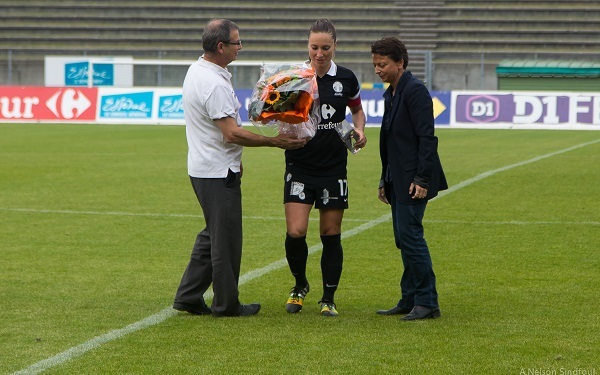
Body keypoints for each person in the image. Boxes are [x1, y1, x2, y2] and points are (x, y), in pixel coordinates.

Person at [173, 19, 307, 317]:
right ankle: (227, 304)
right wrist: (275, 142)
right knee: (226, 240)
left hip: (207, 166)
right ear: (220, 46)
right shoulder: (213, 82)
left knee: (213, 234)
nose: (240, 46)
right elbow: (231, 133)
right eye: (236, 42)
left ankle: (189, 295)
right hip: (216, 171)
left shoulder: (200, 70)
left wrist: (237, 157)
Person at [283, 18, 367, 317]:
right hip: (300, 164)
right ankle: (299, 285)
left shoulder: (346, 78)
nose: (320, 54)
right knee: (296, 231)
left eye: (326, 48)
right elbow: (279, 114)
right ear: (307, 46)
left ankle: (328, 297)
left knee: (330, 233)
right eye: (314, 47)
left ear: (335, 46)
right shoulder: (294, 77)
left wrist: (359, 130)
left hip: (333, 168)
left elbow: (357, 110)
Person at [371, 37, 448, 320]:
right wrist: (384, 178)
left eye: (383, 64)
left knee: (411, 237)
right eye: (375, 64)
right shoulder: (393, 92)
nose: (378, 70)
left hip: (414, 179)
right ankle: (409, 298)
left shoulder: (415, 91)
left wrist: (422, 179)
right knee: (404, 238)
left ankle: (428, 302)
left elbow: (427, 139)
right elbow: (392, 142)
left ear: (400, 63)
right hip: (397, 177)